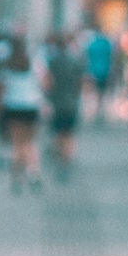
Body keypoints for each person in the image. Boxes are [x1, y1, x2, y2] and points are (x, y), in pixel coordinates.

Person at [0, 35, 45, 191]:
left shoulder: (7, 66)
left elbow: (0, 92)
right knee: (31, 142)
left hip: (13, 107)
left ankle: (16, 176)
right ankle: (34, 173)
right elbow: (47, 82)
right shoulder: (35, 63)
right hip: (31, 106)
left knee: (17, 144)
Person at [45, 33, 86, 178]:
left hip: (56, 102)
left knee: (58, 132)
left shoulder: (52, 61)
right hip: (71, 102)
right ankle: (66, 161)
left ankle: (60, 157)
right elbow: (81, 82)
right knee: (69, 134)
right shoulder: (75, 61)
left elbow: (47, 82)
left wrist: (48, 96)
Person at [84, 29, 114, 120]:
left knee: (93, 91)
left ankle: (95, 109)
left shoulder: (91, 44)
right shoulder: (107, 44)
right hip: (105, 71)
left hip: (93, 71)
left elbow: (87, 57)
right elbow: (111, 58)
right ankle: (100, 109)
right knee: (102, 92)